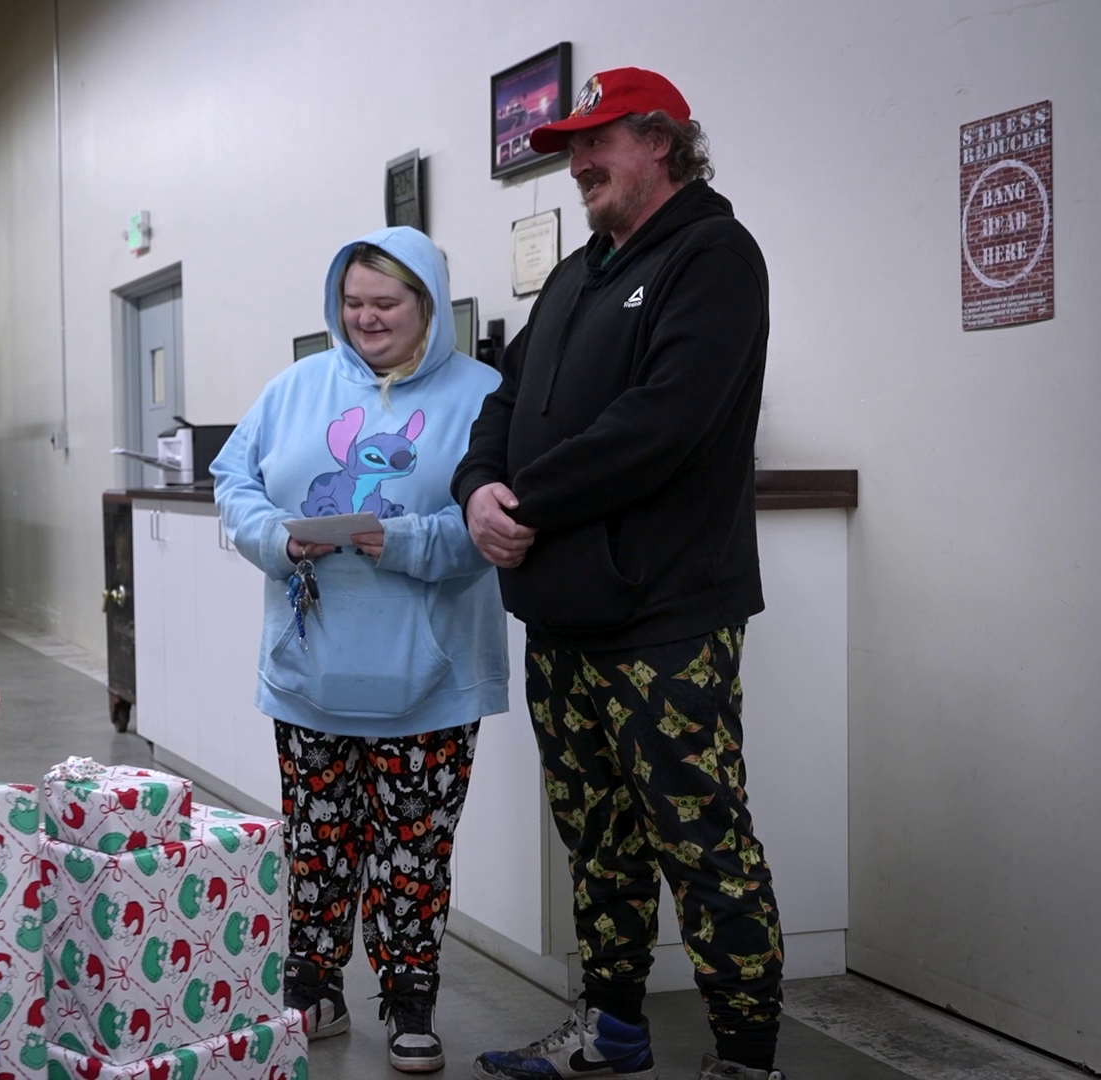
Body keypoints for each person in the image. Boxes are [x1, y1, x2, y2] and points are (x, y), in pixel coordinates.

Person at [453, 68, 786, 1080]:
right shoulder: (577, 271)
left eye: (597, 142)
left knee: (701, 840)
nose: (578, 164)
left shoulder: (716, 258)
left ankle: (746, 1057)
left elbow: (661, 425)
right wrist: (478, 489)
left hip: (666, 617)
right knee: (598, 843)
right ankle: (613, 1029)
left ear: (663, 143)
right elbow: (503, 405)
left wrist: (529, 502)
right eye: (569, 149)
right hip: (563, 618)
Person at [211, 226, 507, 1074]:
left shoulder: (487, 394)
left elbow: (501, 516)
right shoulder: (294, 388)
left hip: (434, 680)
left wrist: (410, 541)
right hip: (313, 673)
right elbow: (234, 482)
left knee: (415, 848)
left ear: (429, 306)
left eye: (387, 302)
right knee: (315, 840)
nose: (367, 318)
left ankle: (410, 999)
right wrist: (272, 536)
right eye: (353, 302)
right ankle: (314, 986)